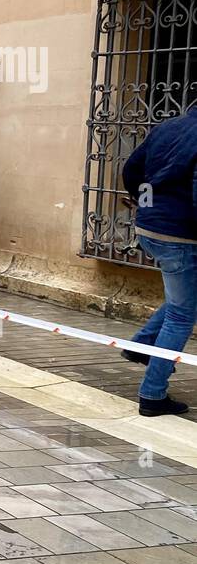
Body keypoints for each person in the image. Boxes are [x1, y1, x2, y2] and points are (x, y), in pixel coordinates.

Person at [122, 103, 197, 418]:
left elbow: (132, 169)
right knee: (182, 315)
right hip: (181, 235)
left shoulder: (167, 127)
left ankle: (141, 345)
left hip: (150, 227)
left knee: (183, 297)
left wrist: (145, 202)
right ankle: (152, 395)